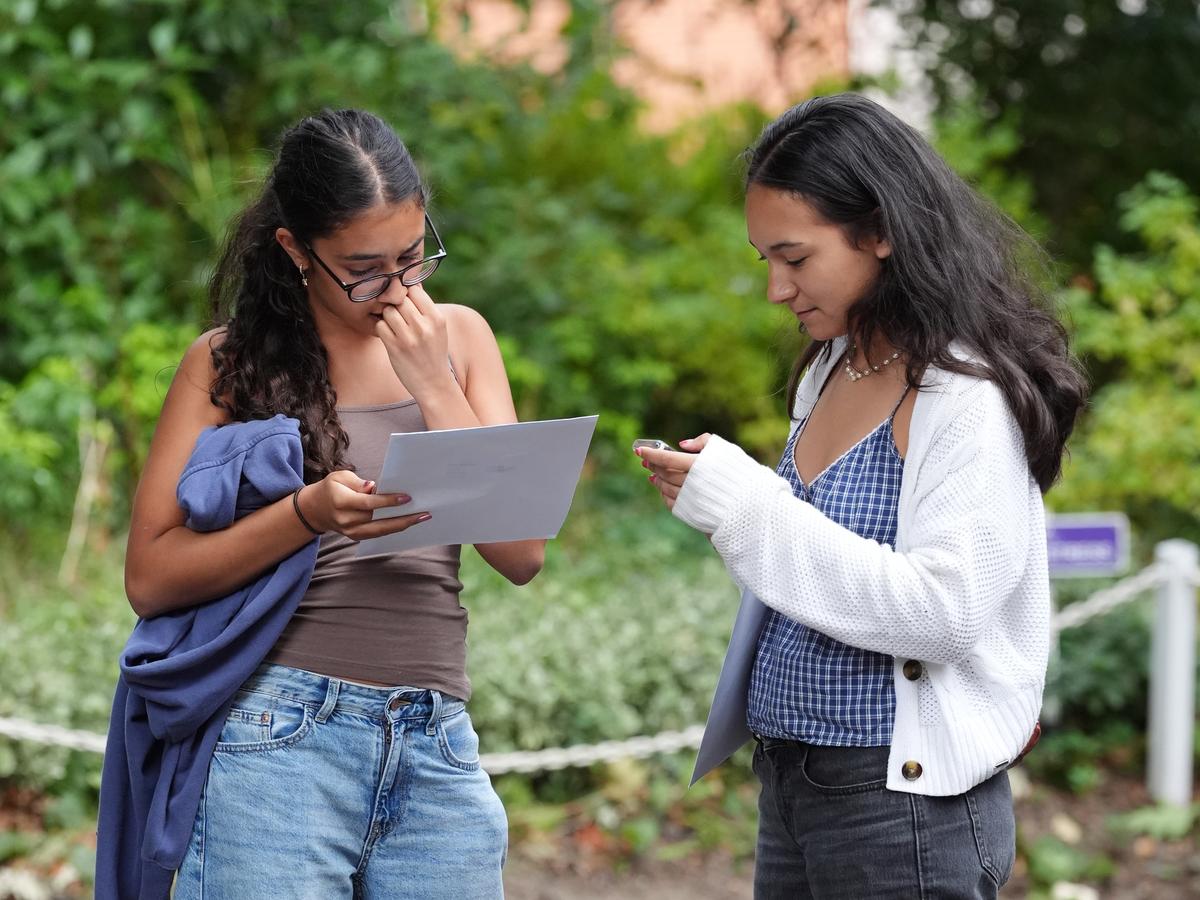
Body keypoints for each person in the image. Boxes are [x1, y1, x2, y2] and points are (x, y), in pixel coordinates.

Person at [637, 93, 1087, 899]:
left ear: (880, 231)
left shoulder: (965, 396)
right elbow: (811, 571)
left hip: (901, 808)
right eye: (764, 259)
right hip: (793, 783)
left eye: (795, 257)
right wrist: (725, 503)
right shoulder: (829, 367)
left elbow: (944, 613)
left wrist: (748, 508)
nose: (776, 288)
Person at [117, 108, 543, 898]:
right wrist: (304, 515)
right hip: (280, 734)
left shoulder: (462, 339)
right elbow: (150, 576)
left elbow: (521, 554)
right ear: (295, 250)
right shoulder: (226, 364)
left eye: (412, 258)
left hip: (436, 739)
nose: (398, 289)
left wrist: (433, 383)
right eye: (364, 269)